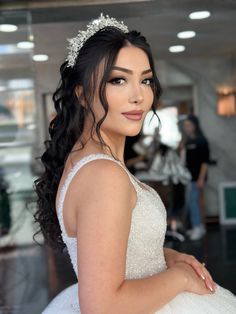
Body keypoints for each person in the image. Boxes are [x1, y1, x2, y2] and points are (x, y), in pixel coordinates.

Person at [34, 13, 236, 313]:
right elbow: (102, 306)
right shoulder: (103, 174)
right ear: (81, 94)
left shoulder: (86, 161)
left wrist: (165, 256)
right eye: (118, 80)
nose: (139, 96)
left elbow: (115, 252)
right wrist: (179, 278)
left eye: (145, 80)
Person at [182, 115, 210, 241]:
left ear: (195, 125)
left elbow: (205, 162)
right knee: (194, 202)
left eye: (188, 125)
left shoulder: (202, 140)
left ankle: (197, 227)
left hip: (198, 178)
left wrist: (201, 178)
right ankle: (200, 226)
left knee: (193, 202)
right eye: (185, 125)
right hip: (189, 177)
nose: (186, 128)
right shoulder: (188, 141)